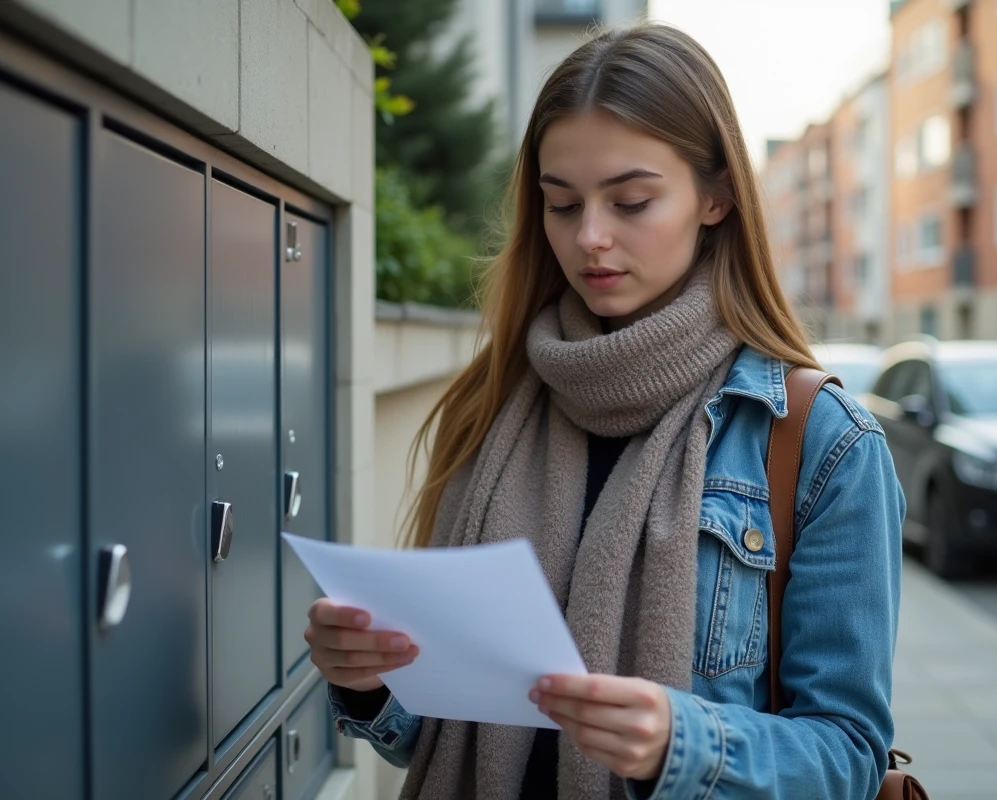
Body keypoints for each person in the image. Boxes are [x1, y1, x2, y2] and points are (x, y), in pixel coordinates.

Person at [304, 21, 905, 800]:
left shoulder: (821, 442)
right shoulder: (493, 403)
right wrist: (373, 683)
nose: (590, 237)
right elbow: (449, 733)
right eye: (561, 204)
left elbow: (850, 754)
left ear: (716, 196)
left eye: (631, 201)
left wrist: (683, 745)